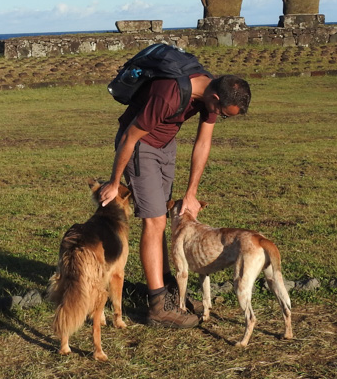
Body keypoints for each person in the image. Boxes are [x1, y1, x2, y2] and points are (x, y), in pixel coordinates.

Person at [97, 70, 251, 328]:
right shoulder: (169, 94)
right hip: (140, 145)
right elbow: (130, 136)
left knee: (163, 217)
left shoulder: (213, 92)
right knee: (154, 220)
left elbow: (203, 143)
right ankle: (158, 306)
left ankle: (169, 290)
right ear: (215, 98)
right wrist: (114, 182)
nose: (219, 117)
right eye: (223, 114)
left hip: (166, 144)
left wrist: (191, 192)